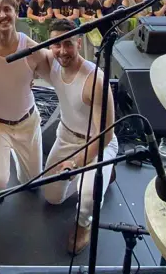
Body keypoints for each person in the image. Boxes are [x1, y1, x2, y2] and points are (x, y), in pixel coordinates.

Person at [40, 19, 118, 255]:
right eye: (56, 44)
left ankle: (84, 223)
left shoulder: (95, 80)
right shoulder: (52, 63)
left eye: (68, 43)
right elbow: (21, 45)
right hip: (65, 136)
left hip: (96, 142)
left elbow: (106, 134)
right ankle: (100, 177)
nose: (62, 51)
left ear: (78, 42)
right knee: (52, 197)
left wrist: (76, 163)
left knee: (87, 198)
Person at [0, 0, 49, 197]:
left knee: (33, 183)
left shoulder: (32, 48)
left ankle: (18, 159)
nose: (3, 15)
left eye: (7, 10)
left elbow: (58, 73)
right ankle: (0, 161)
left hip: (27, 123)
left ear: (16, 13)